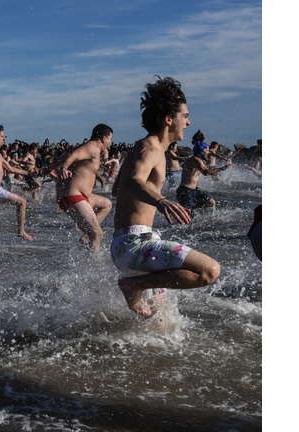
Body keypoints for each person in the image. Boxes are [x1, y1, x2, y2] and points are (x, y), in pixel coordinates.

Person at [110, 76, 221, 317]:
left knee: (161, 324)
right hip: (136, 244)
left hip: (126, 244)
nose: (189, 122)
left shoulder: (142, 147)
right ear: (169, 119)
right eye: (185, 116)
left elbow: (116, 189)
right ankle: (134, 285)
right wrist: (160, 201)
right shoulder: (150, 147)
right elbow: (132, 182)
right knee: (209, 270)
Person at [46, 124, 114, 252]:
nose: (110, 143)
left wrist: (46, 169)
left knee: (107, 204)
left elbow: (63, 157)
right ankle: (92, 268)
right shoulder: (92, 147)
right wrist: (64, 168)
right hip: (74, 198)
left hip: (73, 197)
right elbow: (74, 156)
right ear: (104, 138)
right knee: (98, 235)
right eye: (110, 139)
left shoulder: (86, 146)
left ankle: (87, 234)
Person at [175, 141, 233, 210]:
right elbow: (206, 172)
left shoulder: (193, 159)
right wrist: (223, 168)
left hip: (194, 190)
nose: (208, 153)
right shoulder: (196, 160)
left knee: (211, 202)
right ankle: (188, 209)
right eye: (207, 151)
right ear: (201, 151)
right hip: (185, 191)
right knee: (187, 217)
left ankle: (192, 208)